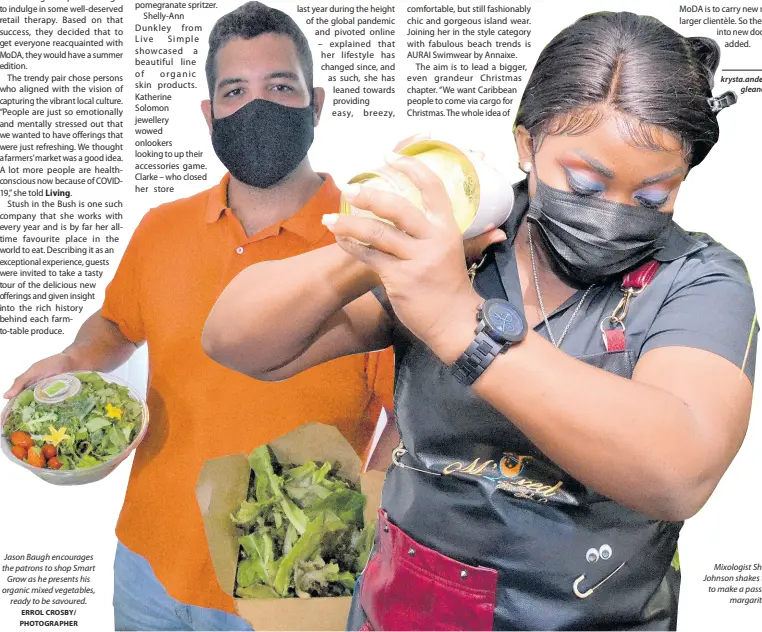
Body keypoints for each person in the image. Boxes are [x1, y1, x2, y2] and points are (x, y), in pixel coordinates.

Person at [202, 11, 757, 631]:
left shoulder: (700, 281)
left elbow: (678, 472)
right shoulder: (466, 241)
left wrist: (462, 327)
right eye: (583, 181)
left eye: (654, 195)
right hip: (402, 607)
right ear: (527, 144)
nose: (614, 212)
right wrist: (374, 246)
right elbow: (235, 341)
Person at [2, 3, 402, 630]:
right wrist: (77, 358)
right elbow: (115, 326)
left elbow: (407, 418)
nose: (257, 107)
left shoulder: (372, 247)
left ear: (317, 103)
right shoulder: (161, 229)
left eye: (280, 86)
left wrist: (365, 532)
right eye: (235, 91)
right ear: (208, 113)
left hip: (291, 583)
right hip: (149, 559)